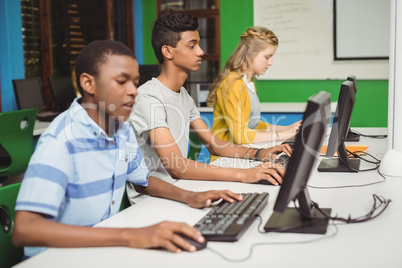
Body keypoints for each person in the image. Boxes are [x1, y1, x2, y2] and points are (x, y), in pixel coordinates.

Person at [12, 40, 243, 258]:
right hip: (58, 258)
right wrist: (131, 235)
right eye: (122, 81)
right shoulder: (62, 139)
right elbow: (25, 230)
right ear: (88, 83)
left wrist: (190, 196)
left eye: (135, 82)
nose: (133, 90)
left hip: (98, 247)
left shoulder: (120, 128)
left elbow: (142, 180)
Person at [128, 13, 291, 202]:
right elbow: (177, 166)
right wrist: (244, 174)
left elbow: (214, 144)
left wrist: (258, 154)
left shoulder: (183, 96)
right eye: (192, 46)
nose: (201, 52)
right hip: (153, 200)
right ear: (168, 51)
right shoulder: (149, 97)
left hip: (181, 188)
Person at [207, 26, 302, 162]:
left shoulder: (248, 83)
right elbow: (240, 135)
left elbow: (254, 124)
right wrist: (285, 135)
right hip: (226, 159)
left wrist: (288, 128)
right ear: (250, 54)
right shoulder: (233, 84)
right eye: (267, 57)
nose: (271, 63)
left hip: (243, 153)